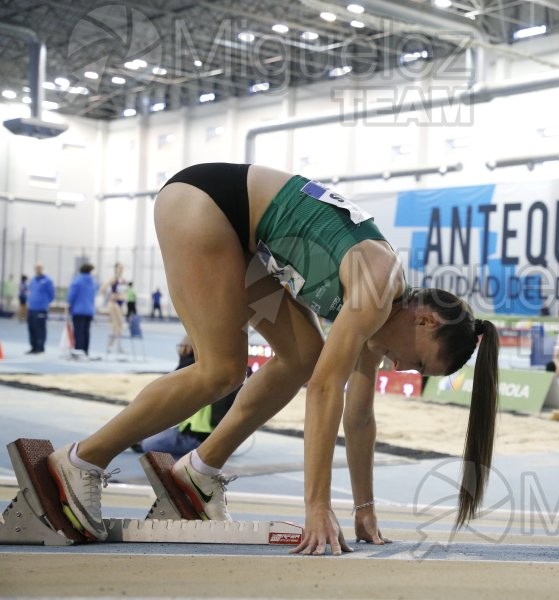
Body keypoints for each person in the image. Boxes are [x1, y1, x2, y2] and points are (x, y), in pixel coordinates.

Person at [47, 162, 500, 555]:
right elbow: (326, 391)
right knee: (221, 368)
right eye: (419, 364)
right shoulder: (378, 283)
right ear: (426, 322)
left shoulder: (375, 324)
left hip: (245, 239)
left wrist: (364, 508)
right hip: (206, 204)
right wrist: (317, 508)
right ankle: (82, 460)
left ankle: (198, 473)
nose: (403, 369)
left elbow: (359, 418)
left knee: (303, 357)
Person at [134, 337, 243, 457]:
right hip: (210, 437)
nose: (180, 350)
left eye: (182, 346)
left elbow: (172, 386)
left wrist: (184, 358)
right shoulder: (226, 370)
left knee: (148, 443)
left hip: (198, 438)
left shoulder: (194, 370)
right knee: (151, 434)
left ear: (189, 348)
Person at [67, 263, 98, 356]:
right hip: (89, 310)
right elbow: (94, 294)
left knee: (78, 332)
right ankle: (85, 351)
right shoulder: (93, 282)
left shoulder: (77, 280)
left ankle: (78, 351)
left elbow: (71, 296)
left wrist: (69, 304)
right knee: (86, 332)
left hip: (78, 310)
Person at [26, 263, 55, 354]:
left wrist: (44, 302)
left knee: (40, 328)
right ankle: (33, 347)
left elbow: (52, 294)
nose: (37, 269)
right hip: (31, 308)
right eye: (36, 268)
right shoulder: (33, 280)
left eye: (39, 268)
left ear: (42, 269)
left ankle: (40, 347)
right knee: (31, 328)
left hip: (41, 308)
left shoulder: (47, 280)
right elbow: (30, 292)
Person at [102, 263, 126, 355]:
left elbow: (124, 292)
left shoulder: (123, 279)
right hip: (113, 304)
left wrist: (123, 298)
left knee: (120, 326)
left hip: (120, 304)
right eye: (119, 268)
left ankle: (118, 346)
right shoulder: (114, 278)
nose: (121, 269)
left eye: (122, 268)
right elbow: (103, 288)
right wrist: (109, 296)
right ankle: (110, 346)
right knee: (116, 326)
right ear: (116, 269)